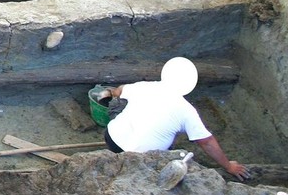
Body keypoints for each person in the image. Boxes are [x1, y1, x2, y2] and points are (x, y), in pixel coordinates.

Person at [100, 56, 251, 181]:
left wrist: (110, 93)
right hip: (143, 159)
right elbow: (207, 142)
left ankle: (117, 155)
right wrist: (229, 166)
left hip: (112, 138)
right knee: (170, 144)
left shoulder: (143, 86)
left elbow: (119, 90)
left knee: (120, 106)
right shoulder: (186, 110)